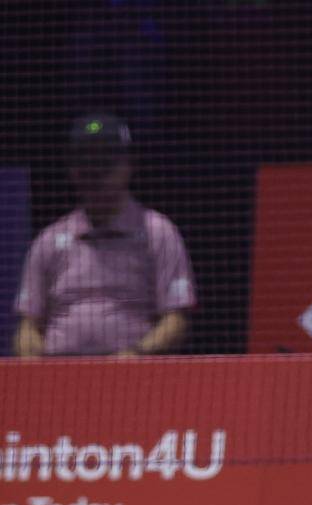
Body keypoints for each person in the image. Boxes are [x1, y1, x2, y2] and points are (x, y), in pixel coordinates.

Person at [13, 113, 195, 358]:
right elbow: (28, 325)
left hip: (132, 367)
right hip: (60, 367)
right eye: (86, 161)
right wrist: (32, 360)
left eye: (106, 160)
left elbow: (175, 319)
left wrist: (138, 353)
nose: (96, 171)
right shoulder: (49, 240)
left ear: (129, 165)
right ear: (72, 170)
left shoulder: (158, 232)